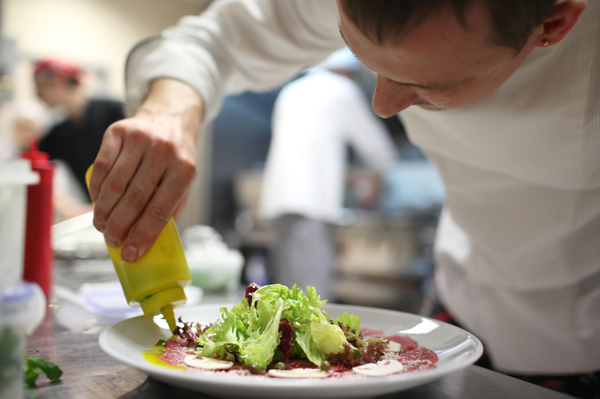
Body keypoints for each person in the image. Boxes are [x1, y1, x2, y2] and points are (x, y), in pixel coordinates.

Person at [87, 1, 599, 396]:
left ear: (555, 21)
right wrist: (169, 112)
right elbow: (208, 42)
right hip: (459, 302)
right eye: (356, 53)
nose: (383, 105)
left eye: (427, 84)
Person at [259, 49, 397, 300]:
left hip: (280, 204)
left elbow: (309, 153)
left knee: (287, 296)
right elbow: (378, 148)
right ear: (347, 70)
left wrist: (353, 176)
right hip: (309, 206)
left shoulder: (293, 90)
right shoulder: (341, 90)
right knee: (311, 298)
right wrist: (378, 175)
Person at [34, 59, 125, 198]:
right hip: (97, 209)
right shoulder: (59, 133)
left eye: (39, 87)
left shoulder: (114, 111)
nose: (38, 95)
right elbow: (33, 161)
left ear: (57, 82)